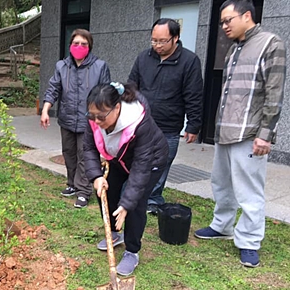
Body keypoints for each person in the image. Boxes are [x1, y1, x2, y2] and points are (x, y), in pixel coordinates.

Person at [195, 0, 286, 268]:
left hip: (250, 133)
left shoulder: (271, 44)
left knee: (249, 191)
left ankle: (249, 241)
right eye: (222, 22)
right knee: (221, 183)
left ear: (247, 15)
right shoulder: (234, 49)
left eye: (227, 20)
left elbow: (274, 94)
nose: (224, 26)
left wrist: (265, 135)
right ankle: (221, 225)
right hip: (225, 130)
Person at [83, 82, 168, 276]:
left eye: (101, 116)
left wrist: (127, 203)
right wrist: (96, 176)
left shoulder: (139, 122)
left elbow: (140, 168)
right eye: (92, 115)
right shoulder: (94, 118)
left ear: (117, 107)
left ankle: (132, 251)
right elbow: (88, 148)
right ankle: (114, 233)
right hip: (119, 159)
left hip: (150, 160)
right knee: (107, 190)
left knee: (135, 203)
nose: (96, 121)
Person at [128, 18, 203, 214]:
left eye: (162, 41)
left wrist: (193, 125)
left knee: (161, 163)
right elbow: (132, 85)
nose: (157, 45)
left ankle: (152, 199)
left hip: (169, 125)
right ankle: (132, 195)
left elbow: (194, 94)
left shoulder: (189, 61)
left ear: (175, 38)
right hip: (141, 122)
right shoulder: (143, 58)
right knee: (136, 159)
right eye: (154, 41)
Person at [41, 28, 111, 209]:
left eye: (84, 44)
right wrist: (46, 109)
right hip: (67, 118)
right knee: (69, 153)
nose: (79, 47)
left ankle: (83, 191)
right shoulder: (62, 66)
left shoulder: (100, 66)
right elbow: (53, 89)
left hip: (89, 122)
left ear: (90, 46)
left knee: (85, 156)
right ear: (70, 45)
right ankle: (72, 183)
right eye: (76, 43)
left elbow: (105, 94)